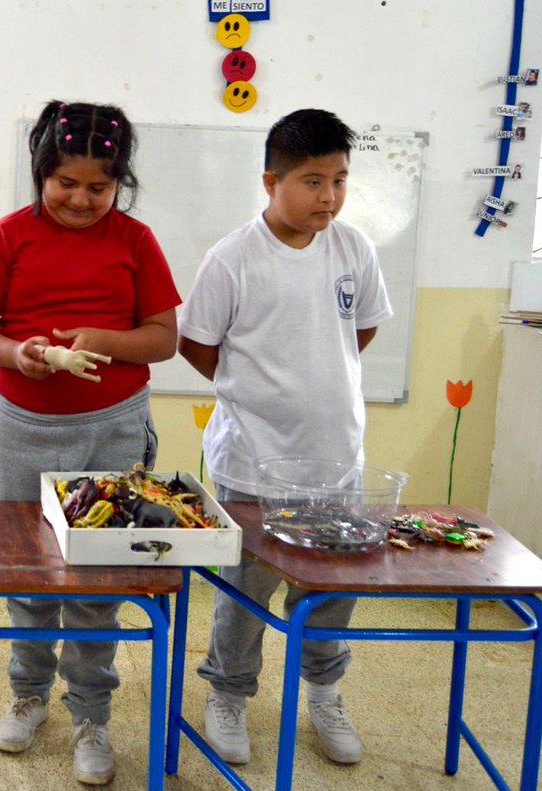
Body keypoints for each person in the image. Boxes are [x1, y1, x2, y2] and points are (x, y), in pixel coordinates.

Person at [0, 100, 180, 786]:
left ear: (119, 183)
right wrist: (18, 351)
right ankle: (28, 692)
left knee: (96, 573)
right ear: (40, 173)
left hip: (112, 425)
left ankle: (91, 712)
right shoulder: (8, 236)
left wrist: (102, 342)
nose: (81, 199)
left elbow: (163, 338)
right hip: (21, 427)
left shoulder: (136, 241)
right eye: (66, 183)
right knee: (27, 567)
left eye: (99, 186)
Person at [178, 109, 393, 767]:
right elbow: (197, 344)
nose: (327, 195)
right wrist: (258, 396)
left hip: (336, 461)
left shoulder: (353, 248)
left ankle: (324, 693)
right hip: (253, 463)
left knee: (330, 588)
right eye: (311, 180)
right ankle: (228, 693)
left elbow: (362, 332)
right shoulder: (233, 257)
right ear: (271, 180)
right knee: (248, 587)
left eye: (339, 179)